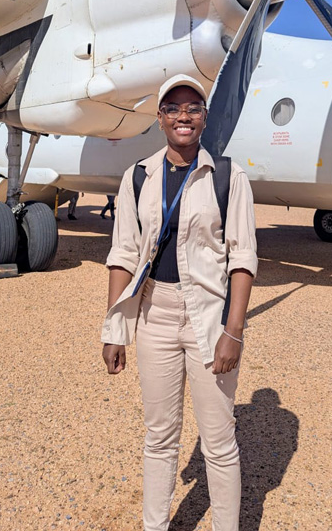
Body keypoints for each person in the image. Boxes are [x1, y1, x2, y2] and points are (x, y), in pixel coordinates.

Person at [101, 74, 258, 531]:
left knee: (219, 442)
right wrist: (115, 329)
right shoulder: (137, 178)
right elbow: (123, 254)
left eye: (193, 107)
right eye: (173, 108)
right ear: (160, 118)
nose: (183, 116)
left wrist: (234, 332)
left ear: (205, 118)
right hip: (154, 314)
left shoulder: (229, 176)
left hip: (208, 318)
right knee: (160, 436)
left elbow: (242, 259)